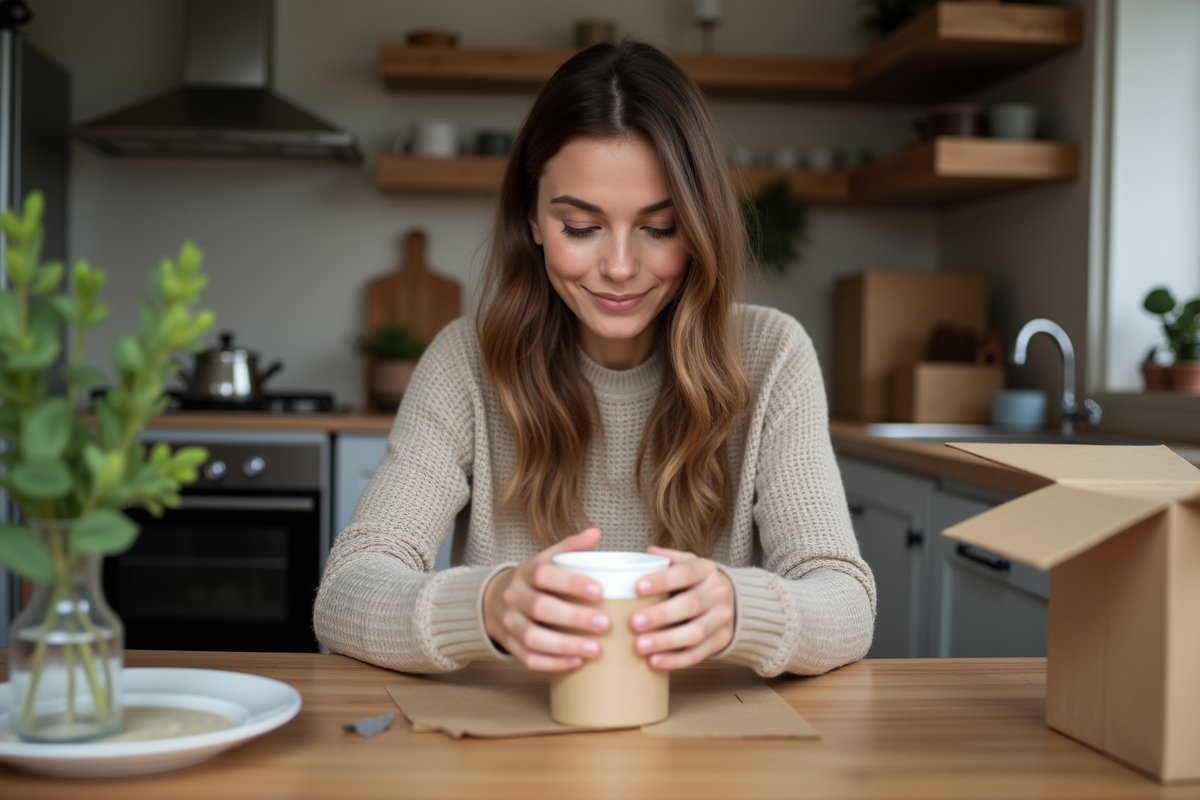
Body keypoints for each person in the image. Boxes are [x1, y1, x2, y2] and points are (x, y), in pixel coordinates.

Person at [314, 40, 875, 678]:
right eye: (580, 227)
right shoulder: (466, 361)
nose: (618, 267)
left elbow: (846, 602)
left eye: (660, 228)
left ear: (699, 225)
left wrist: (739, 609)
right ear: (530, 218)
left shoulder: (772, 356)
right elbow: (346, 592)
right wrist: (490, 605)